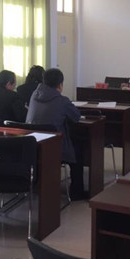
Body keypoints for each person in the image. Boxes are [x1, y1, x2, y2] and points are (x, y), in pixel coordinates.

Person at [26, 68, 85, 200]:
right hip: (54, 146)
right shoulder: (62, 100)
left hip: (33, 145)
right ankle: (76, 192)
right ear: (60, 85)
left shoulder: (34, 95)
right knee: (78, 150)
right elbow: (76, 117)